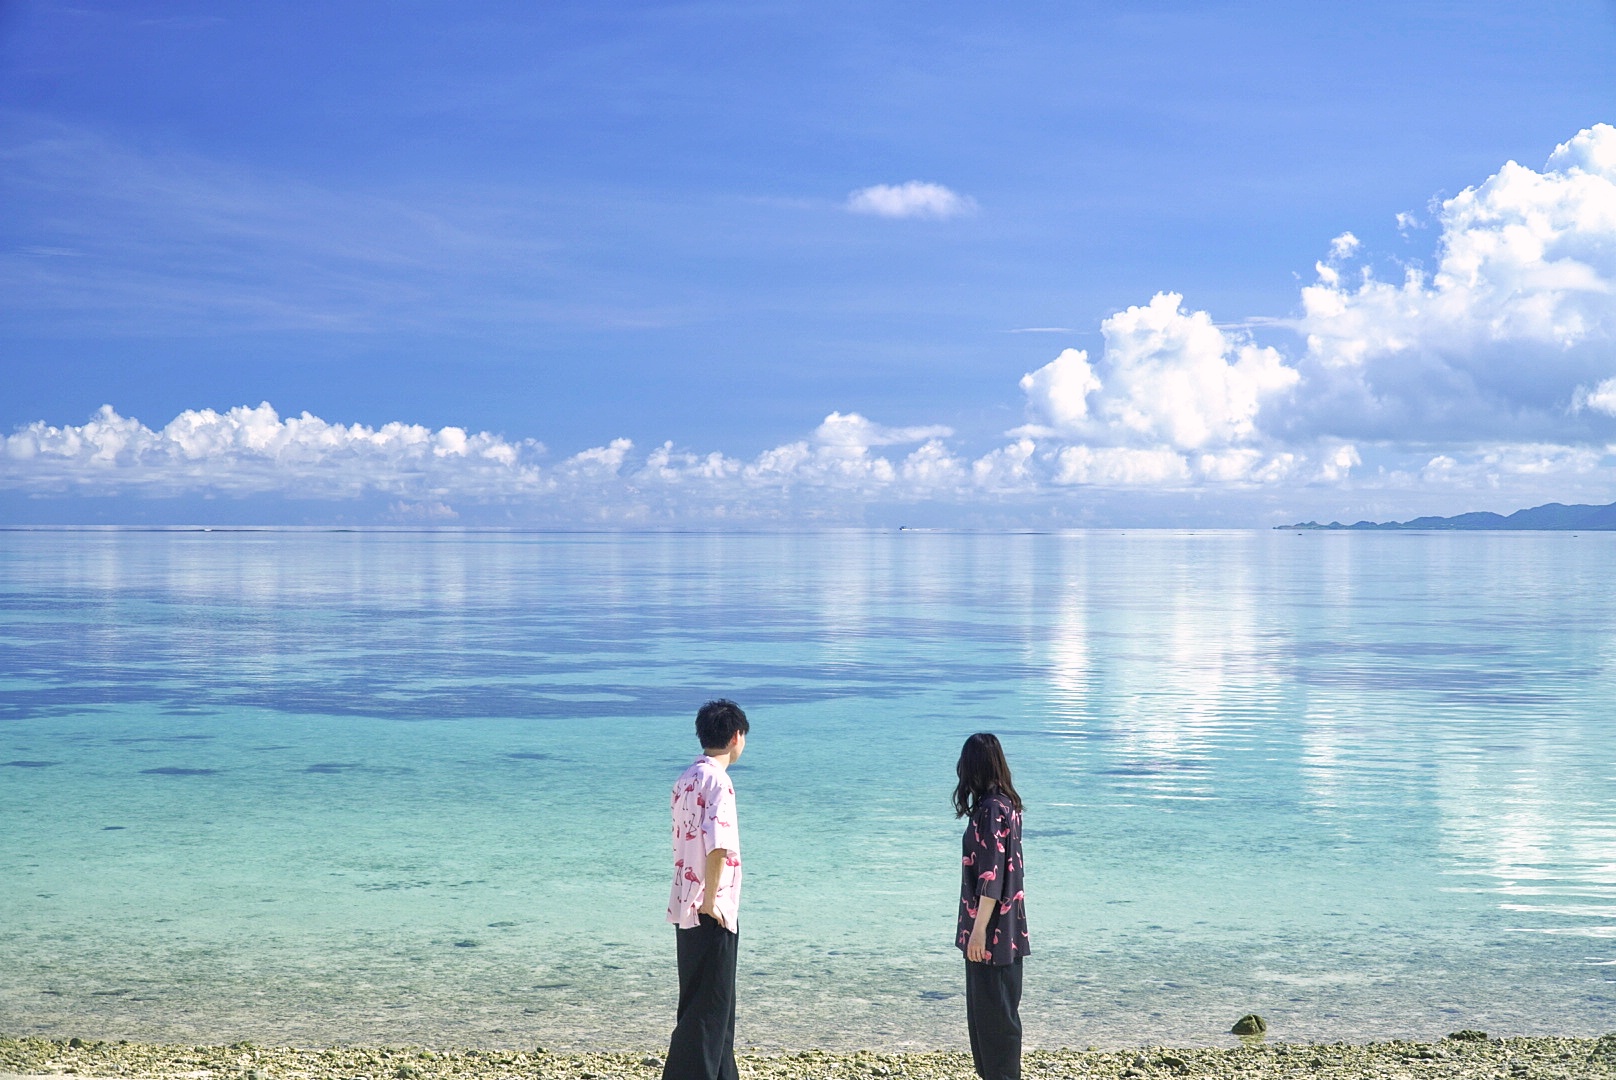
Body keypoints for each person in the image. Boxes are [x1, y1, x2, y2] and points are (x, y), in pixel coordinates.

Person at [663, 699, 749, 1080]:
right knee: (707, 1012)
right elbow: (718, 845)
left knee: (712, 1009)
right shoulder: (719, 780)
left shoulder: (685, 778)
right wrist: (712, 901)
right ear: (736, 737)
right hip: (709, 908)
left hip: (685, 907)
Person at [954, 732, 1029, 1080]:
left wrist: (978, 932)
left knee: (991, 1025)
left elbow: (991, 876)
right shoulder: (1009, 806)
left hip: (991, 935)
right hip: (1010, 932)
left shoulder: (989, 810)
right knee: (1002, 1018)